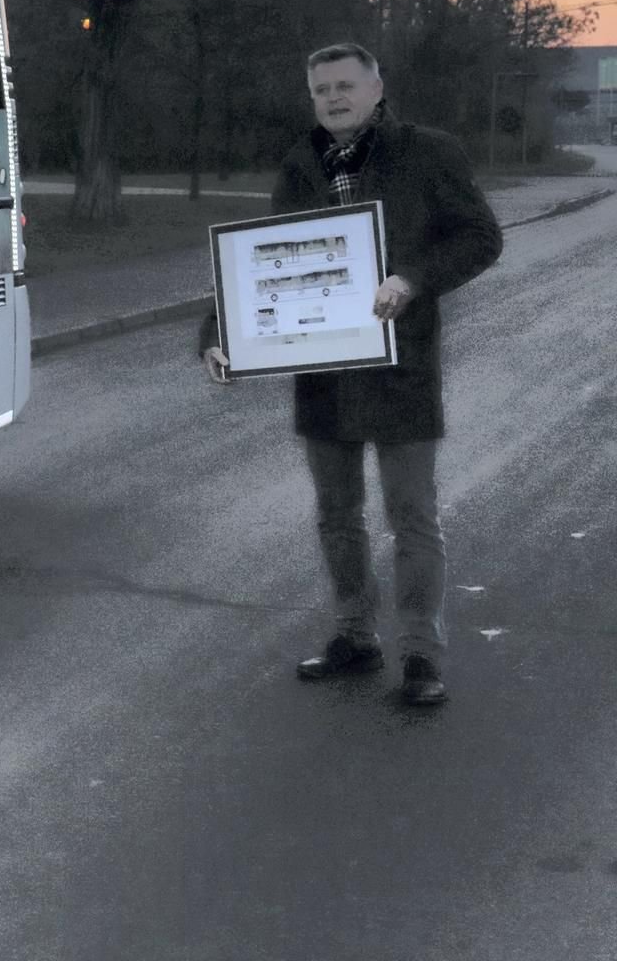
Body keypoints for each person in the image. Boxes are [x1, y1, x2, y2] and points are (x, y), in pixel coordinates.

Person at [200, 42, 501, 707]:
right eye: (321, 90)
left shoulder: (429, 152)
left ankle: (421, 655)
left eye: (345, 85)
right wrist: (218, 335)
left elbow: (481, 238)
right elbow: (263, 261)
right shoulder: (301, 164)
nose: (333, 98)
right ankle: (355, 636)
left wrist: (411, 279)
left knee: (412, 516)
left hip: (400, 365)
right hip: (323, 370)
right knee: (337, 516)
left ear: (376, 89)